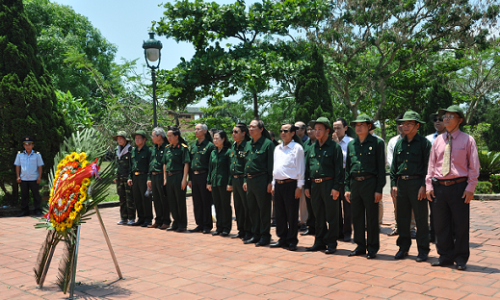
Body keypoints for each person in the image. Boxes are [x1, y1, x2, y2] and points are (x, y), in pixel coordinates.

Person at [426, 105, 480, 271]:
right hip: (439, 187)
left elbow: (474, 166)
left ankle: (461, 258)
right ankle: (445, 256)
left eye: (450, 116)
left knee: (460, 225)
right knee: (440, 225)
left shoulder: (468, 140)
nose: (446, 119)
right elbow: (432, 165)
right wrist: (429, 184)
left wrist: (471, 187)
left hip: (459, 187)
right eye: (444, 116)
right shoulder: (437, 141)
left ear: (460, 120)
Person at [390, 111, 432, 262]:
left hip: (417, 184)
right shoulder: (399, 143)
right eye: (403, 123)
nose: (405, 126)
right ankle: (403, 248)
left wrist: (424, 186)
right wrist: (393, 184)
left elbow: (429, 166)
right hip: (402, 185)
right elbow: (394, 166)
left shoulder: (424, 143)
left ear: (417, 125)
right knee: (402, 218)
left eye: (409, 123)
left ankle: (423, 250)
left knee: (420, 219)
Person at [345, 115, 386, 259]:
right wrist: (347, 188)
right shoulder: (351, 144)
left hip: (370, 183)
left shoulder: (377, 143)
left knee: (372, 217)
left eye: (362, 124)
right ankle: (360, 246)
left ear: (369, 127)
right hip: (355, 184)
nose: (358, 127)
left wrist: (379, 189)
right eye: (356, 125)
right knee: (356, 217)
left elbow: (381, 168)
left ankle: (372, 247)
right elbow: (348, 169)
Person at [304, 117, 343, 254]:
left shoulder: (334, 147)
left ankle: (331, 243)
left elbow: (339, 169)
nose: (317, 131)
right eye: (316, 129)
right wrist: (307, 186)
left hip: (329, 184)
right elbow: (307, 169)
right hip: (315, 186)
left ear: (327, 130)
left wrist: (336, 187)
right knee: (317, 216)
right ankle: (319, 242)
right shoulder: (311, 148)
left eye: (320, 129)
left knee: (332, 216)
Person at [270, 123, 305, 251]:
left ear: (292, 133)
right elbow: (275, 168)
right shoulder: (277, 148)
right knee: (280, 214)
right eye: (281, 130)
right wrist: (273, 184)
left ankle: (292, 240)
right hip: (278, 185)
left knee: (292, 214)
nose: (283, 133)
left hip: (291, 184)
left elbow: (301, 168)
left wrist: (299, 186)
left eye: (286, 130)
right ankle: (282, 238)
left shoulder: (297, 148)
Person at [243, 119, 275, 246]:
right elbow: (246, 163)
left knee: (264, 209)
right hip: (250, 181)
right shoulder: (247, 144)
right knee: (253, 209)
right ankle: (255, 234)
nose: (250, 129)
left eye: (253, 127)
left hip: (262, 180)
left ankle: (265, 235)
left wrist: (270, 182)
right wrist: (245, 179)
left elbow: (271, 165)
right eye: (249, 126)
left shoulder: (268, 144)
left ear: (261, 129)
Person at [387, 114, 417, 238]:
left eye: (404, 123)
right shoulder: (393, 141)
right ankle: (398, 226)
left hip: (413, 178)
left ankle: (411, 228)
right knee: (397, 204)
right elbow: (390, 159)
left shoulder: (417, 141)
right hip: (398, 177)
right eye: (399, 123)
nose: (401, 126)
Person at [188, 123, 215, 234]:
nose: (196, 131)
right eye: (195, 129)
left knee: (205, 201)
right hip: (194, 176)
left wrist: (209, 180)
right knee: (197, 201)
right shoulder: (193, 146)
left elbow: (211, 164)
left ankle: (207, 225)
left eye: (198, 129)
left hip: (204, 175)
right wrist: (190, 178)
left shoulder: (209, 145)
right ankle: (199, 224)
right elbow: (190, 163)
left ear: (204, 131)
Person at [163, 126, 190, 232]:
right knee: (172, 201)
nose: (168, 138)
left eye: (170, 136)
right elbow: (165, 164)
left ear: (177, 136)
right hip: (169, 177)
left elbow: (186, 164)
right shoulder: (167, 148)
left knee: (180, 201)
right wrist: (165, 178)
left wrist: (184, 179)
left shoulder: (183, 148)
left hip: (179, 176)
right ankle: (175, 222)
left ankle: (182, 224)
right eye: (167, 136)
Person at [228, 123, 252, 240]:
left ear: (244, 133)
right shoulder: (233, 146)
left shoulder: (247, 146)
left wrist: (246, 179)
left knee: (246, 206)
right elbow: (231, 165)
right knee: (238, 206)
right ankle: (241, 229)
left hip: (243, 179)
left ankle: (249, 231)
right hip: (235, 179)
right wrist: (229, 182)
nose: (233, 134)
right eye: (233, 132)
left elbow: (248, 164)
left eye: (236, 132)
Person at [207, 130, 233, 236]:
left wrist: (230, 183)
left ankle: (226, 228)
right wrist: (208, 181)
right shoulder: (213, 152)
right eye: (214, 138)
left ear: (223, 139)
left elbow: (231, 169)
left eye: (217, 138)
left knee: (225, 205)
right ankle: (219, 227)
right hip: (214, 182)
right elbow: (210, 168)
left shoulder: (228, 152)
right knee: (217, 205)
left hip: (224, 182)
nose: (215, 140)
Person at [332, 118, 354, 242]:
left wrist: (336, 145)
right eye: (334, 128)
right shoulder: (330, 142)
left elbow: (346, 159)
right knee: (335, 206)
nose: (336, 130)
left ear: (345, 128)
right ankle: (338, 231)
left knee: (347, 206)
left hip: (347, 174)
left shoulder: (351, 142)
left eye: (339, 128)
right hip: (334, 176)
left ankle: (347, 232)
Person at [426, 111, 445, 243]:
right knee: (434, 210)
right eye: (435, 119)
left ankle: (451, 234)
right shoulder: (428, 139)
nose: (437, 121)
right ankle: (433, 235)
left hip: (452, 180)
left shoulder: (454, 138)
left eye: (440, 119)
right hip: (434, 179)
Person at [127, 130, 153, 227]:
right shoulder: (133, 151)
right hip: (135, 177)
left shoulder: (149, 151)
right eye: (135, 138)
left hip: (144, 176)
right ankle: (141, 218)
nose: (136, 140)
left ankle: (148, 219)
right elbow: (131, 165)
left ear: (144, 139)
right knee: (137, 198)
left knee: (146, 198)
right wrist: (130, 177)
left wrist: (149, 178)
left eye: (139, 138)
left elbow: (150, 165)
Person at [14, 136, 44, 217]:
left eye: (29, 144)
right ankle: (24, 211)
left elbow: (40, 166)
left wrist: (39, 177)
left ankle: (37, 210)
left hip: (34, 178)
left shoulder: (37, 155)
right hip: (23, 178)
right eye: (26, 144)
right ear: (24, 146)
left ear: (32, 145)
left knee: (36, 195)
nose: (28, 146)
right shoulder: (20, 154)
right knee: (24, 195)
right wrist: (18, 176)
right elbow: (17, 165)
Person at [148, 127, 171, 229]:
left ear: (159, 136)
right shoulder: (154, 148)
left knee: (164, 199)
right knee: (156, 199)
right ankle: (158, 220)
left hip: (162, 175)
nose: (152, 138)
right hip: (153, 176)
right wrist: (149, 178)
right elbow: (151, 163)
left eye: (153, 136)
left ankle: (166, 221)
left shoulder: (166, 147)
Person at [113, 131, 135, 225]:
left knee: (129, 198)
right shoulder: (116, 150)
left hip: (127, 178)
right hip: (119, 178)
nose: (119, 140)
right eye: (118, 139)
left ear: (126, 139)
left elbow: (132, 165)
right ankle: (124, 218)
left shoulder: (130, 150)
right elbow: (115, 164)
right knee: (121, 198)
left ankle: (131, 218)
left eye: (121, 138)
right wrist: (115, 175)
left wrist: (130, 177)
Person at [301, 124, 317, 236]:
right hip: (308, 178)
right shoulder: (305, 144)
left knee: (318, 206)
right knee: (309, 205)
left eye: (313, 129)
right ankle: (310, 227)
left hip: (319, 178)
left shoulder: (320, 143)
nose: (310, 131)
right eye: (309, 129)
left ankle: (320, 227)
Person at [295, 121, 309, 232]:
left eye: (297, 128)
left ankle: (304, 222)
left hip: (303, 173)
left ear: (303, 130)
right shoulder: (292, 141)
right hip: (292, 173)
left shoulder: (307, 142)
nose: (294, 130)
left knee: (303, 200)